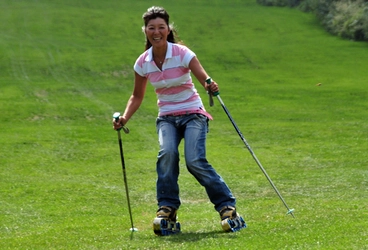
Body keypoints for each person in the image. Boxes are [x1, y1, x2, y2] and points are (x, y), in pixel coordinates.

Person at [113, 6, 246, 235]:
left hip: (193, 113)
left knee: (194, 161)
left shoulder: (183, 53)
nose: (156, 32)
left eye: (161, 27)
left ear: (168, 29)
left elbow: (204, 78)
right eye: (151, 28)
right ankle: (167, 208)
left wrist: (210, 85)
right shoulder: (142, 62)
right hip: (166, 117)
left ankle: (227, 207)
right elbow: (137, 95)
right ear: (145, 30)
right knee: (167, 155)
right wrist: (124, 117)